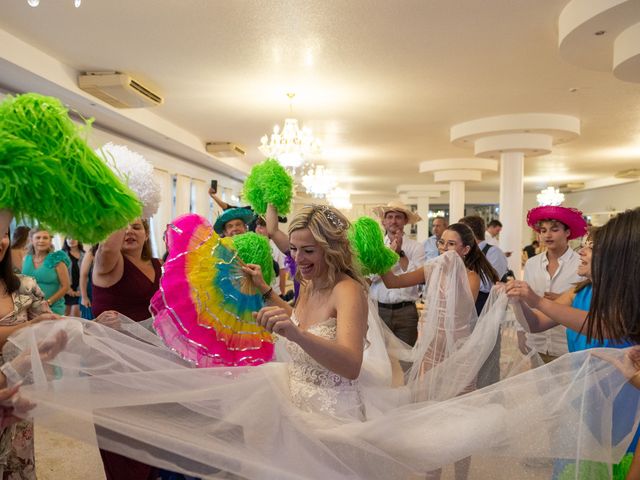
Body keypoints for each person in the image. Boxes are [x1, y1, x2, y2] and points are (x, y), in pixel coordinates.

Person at [243, 204, 369, 419]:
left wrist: (298, 335)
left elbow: (351, 366)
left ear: (332, 249)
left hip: (334, 413)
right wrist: (264, 289)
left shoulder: (347, 291)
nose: (298, 258)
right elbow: (298, 320)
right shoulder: (309, 282)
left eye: (308, 251)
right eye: (293, 248)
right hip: (297, 404)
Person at [91, 218, 163, 480]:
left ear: (146, 234)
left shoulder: (157, 265)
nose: (130, 231)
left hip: (152, 365)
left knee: (153, 438)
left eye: (137, 227)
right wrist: (123, 203)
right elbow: (109, 248)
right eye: (124, 225)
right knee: (124, 446)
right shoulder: (109, 262)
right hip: (114, 367)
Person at [0, 225, 61, 479]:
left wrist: (94, 327)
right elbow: (35, 325)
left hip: (19, 390)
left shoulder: (25, 285)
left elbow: (49, 323)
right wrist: (29, 326)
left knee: (18, 458)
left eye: (2, 232)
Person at [518, 205, 587, 363]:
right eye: (543, 230)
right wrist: (521, 331)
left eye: (554, 230)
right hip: (538, 342)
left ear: (567, 233)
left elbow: (590, 304)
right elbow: (525, 300)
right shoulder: (532, 264)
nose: (547, 235)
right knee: (541, 387)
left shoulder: (581, 264)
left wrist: (566, 299)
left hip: (568, 344)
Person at [369, 201, 425, 346]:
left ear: (405, 221)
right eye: (390, 217)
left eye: (398, 217)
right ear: (384, 221)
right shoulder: (375, 246)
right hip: (379, 310)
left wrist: (400, 253)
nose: (393, 221)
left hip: (406, 312)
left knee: (406, 361)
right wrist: (389, 254)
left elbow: (416, 276)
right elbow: (370, 276)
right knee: (380, 361)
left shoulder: (416, 247)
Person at [21, 228, 71, 315]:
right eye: (38, 237)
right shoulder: (26, 258)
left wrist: (48, 302)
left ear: (50, 241)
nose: (41, 240)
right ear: (31, 240)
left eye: (45, 238)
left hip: (52, 309)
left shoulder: (57, 259)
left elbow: (66, 286)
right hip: (28, 309)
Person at [62, 237, 84, 317]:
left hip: (80, 290)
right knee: (65, 316)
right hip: (65, 290)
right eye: (69, 238)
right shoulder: (62, 255)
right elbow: (58, 274)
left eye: (75, 237)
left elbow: (88, 275)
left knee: (76, 315)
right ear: (66, 240)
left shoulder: (85, 255)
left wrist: (81, 291)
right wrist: (67, 289)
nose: (72, 240)